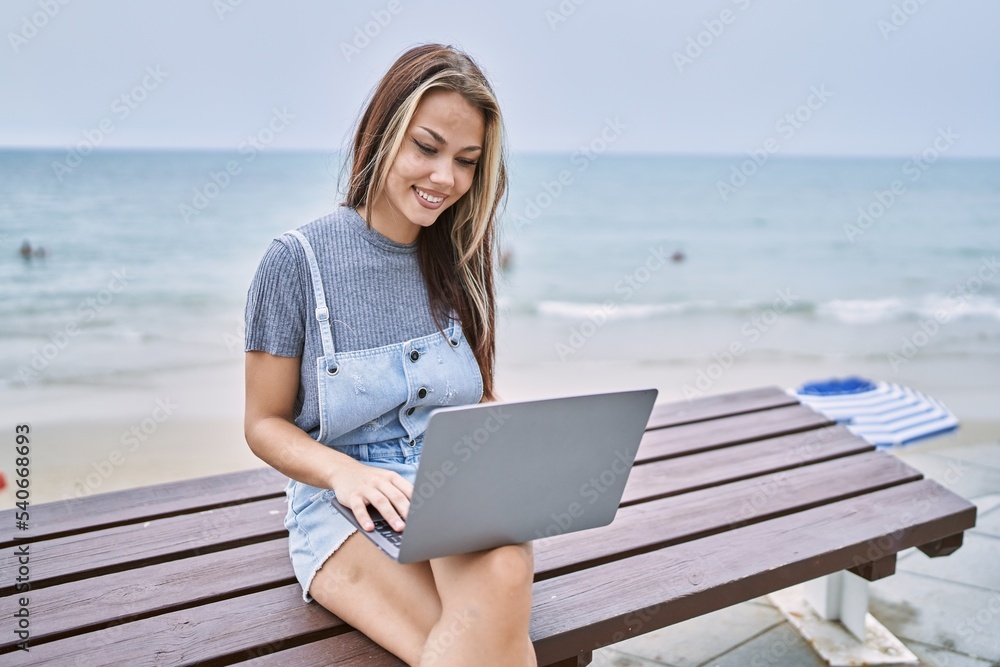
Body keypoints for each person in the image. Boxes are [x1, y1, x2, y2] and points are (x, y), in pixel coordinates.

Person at [243, 44, 536, 666]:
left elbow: (475, 397)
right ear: (383, 133)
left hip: (451, 486)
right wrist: (344, 473)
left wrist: (518, 450)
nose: (445, 179)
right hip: (343, 505)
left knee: (507, 568)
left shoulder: (460, 264)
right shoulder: (296, 263)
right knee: (474, 645)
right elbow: (262, 425)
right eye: (426, 148)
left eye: (466, 161)